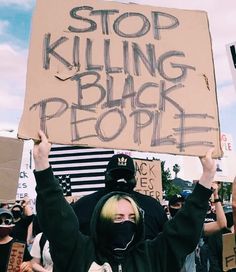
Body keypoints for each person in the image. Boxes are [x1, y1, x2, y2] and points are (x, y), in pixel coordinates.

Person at [33, 130, 216, 272]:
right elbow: (59, 223)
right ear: (101, 219)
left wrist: (206, 178)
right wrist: (42, 165)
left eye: (131, 218)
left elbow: (181, 232)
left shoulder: (152, 256)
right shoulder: (80, 253)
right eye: (118, 217)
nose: (126, 223)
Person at [72, 153, 168, 239]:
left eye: (126, 176)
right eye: (116, 175)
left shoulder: (152, 207)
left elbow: (164, 242)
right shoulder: (83, 206)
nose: (121, 180)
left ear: (134, 178)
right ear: (106, 176)